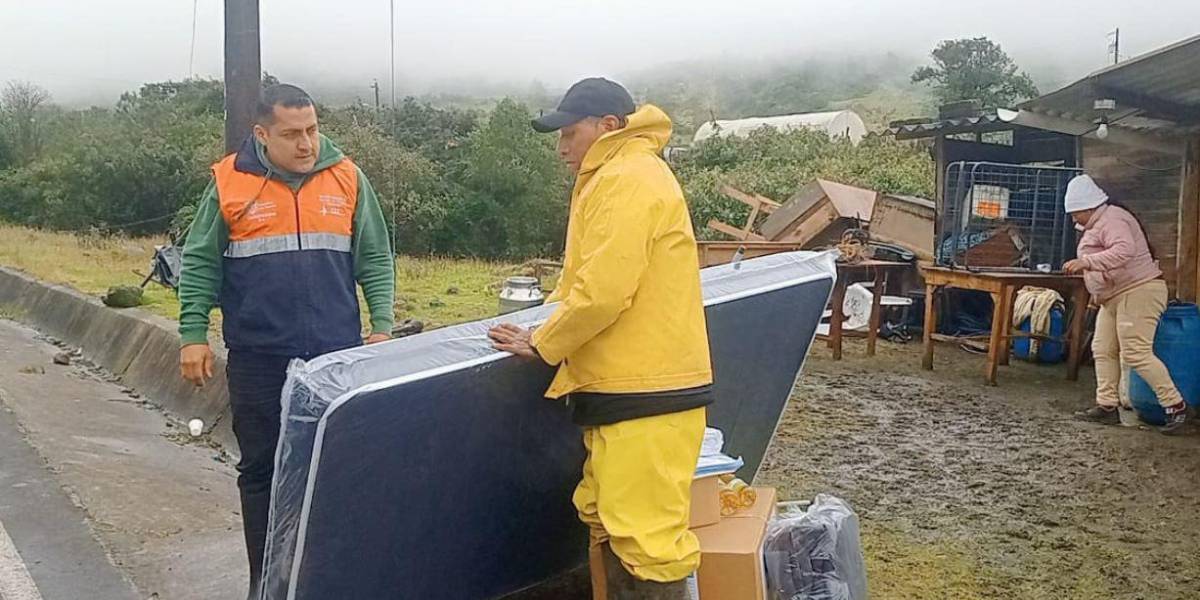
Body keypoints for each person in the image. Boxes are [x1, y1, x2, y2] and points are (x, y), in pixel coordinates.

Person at [488, 78, 712, 599]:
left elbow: (603, 293)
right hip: (626, 391)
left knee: (647, 543)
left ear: (608, 126)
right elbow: (578, 286)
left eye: (569, 133)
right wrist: (545, 325)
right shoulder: (618, 175)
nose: (562, 148)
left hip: (647, 394)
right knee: (605, 517)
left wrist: (542, 344)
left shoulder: (627, 178)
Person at [176, 84, 395, 598]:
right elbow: (200, 262)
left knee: (336, 469)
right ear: (262, 134)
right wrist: (192, 334)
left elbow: (376, 257)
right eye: (292, 134)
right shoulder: (230, 183)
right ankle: (267, 583)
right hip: (258, 358)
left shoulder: (348, 178)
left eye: (312, 130)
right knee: (262, 470)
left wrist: (381, 325)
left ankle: (329, 580)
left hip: (334, 360)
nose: (307, 144)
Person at [1063, 174, 1190, 434]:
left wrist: (1086, 263)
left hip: (1139, 290)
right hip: (1113, 296)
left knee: (1135, 352)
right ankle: (1107, 405)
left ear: (1088, 207)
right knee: (1103, 348)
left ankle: (1176, 406)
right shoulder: (1095, 225)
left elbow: (1124, 250)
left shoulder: (1114, 218)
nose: (1074, 219)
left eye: (1076, 213)